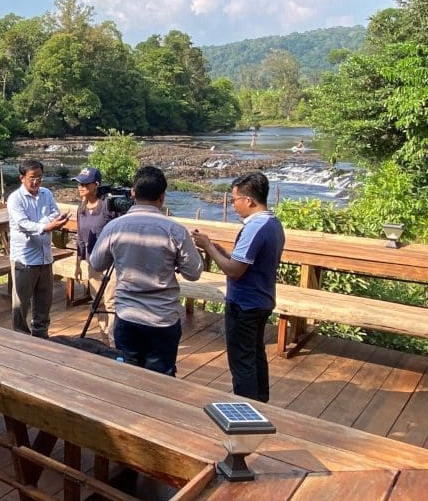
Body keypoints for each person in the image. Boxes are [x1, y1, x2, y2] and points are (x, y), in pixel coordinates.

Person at [88, 166, 204, 375]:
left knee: (128, 375)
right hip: (162, 318)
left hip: (127, 315)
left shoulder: (115, 227)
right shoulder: (175, 230)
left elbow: (96, 264)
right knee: (162, 379)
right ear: (162, 196)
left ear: (133, 193)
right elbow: (194, 272)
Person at [197, 172, 285, 402]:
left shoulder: (255, 227)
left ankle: (246, 408)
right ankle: (261, 403)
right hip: (261, 299)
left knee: (242, 360)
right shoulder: (273, 223)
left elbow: (234, 271)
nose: (233, 205)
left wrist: (208, 246)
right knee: (255, 354)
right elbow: (243, 263)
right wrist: (219, 250)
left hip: (244, 304)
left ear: (249, 200)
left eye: (235, 200)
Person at [7, 160, 68, 338]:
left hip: (45, 256)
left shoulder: (46, 193)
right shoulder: (15, 199)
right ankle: (20, 336)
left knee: (44, 300)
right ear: (22, 178)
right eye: (32, 178)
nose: (36, 182)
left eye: (39, 178)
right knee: (21, 303)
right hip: (24, 258)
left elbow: (54, 213)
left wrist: (45, 224)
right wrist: (46, 226)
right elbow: (23, 224)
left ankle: (41, 334)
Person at [73, 166, 119, 332]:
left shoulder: (107, 206)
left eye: (85, 184)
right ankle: (104, 334)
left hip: (111, 263)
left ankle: (114, 340)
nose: (81, 188)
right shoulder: (81, 208)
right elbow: (80, 237)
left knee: (110, 301)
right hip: (93, 262)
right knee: (97, 300)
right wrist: (78, 264)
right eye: (79, 184)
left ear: (96, 185)